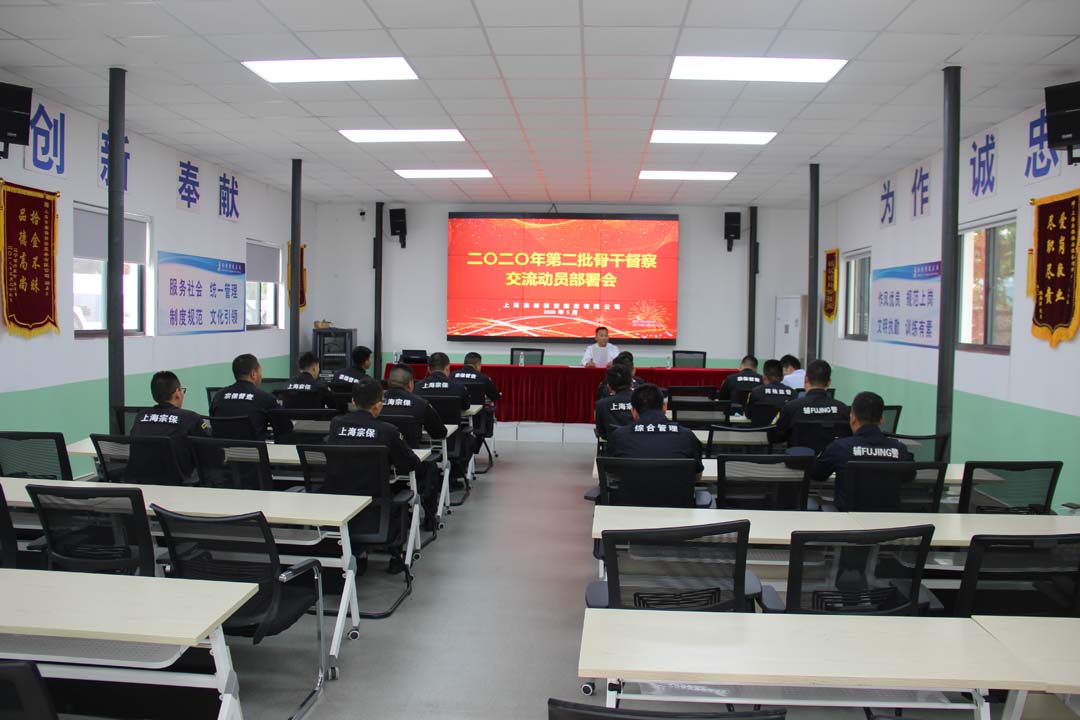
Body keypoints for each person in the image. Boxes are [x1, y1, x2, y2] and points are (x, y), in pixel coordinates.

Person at [325, 378, 441, 567]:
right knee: (423, 474)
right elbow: (410, 464)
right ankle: (398, 557)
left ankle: (360, 555)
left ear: (353, 401)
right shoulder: (387, 431)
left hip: (337, 507)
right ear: (379, 405)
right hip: (376, 514)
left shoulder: (336, 424)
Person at [811, 391, 912, 511]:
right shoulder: (899, 448)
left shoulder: (840, 447)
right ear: (881, 419)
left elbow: (818, 474)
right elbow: (909, 476)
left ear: (853, 418)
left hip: (847, 518)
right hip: (888, 520)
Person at [607, 383, 704, 477]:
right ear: (665, 407)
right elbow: (697, 476)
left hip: (631, 488)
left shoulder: (618, 436)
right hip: (675, 488)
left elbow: (610, 473)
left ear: (633, 412)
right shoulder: (687, 436)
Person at [130, 370, 209, 479]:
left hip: (141, 481)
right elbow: (209, 453)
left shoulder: (141, 416)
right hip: (177, 482)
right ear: (177, 393)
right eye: (182, 390)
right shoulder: (191, 418)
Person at [770, 359, 850, 452]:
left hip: (799, 460)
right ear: (829, 382)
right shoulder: (843, 409)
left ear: (806, 379)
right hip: (832, 460)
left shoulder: (791, 407)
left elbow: (774, 436)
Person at [210, 353, 290, 440]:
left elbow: (213, 424)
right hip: (252, 449)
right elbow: (285, 429)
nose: (261, 376)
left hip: (222, 448)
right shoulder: (266, 398)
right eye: (260, 372)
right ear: (253, 374)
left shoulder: (218, 396)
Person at [382, 364, 448, 448]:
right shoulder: (421, 404)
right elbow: (440, 433)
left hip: (378, 455)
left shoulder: (374, 403)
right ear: (410, 384)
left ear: (388, 382)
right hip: (411, 455)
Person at [745, 358, 795, 425]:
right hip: (783, 431)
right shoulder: (793, 393)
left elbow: (748, 415)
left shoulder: (756, 392)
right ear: (782, 377)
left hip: (759, 430)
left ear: (764, 377)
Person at [594, 363, 634, 441]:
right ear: (631, 383)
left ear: (609, 386)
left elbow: (602, 434)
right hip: (638, 445)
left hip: (613, 446)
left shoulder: (601, 405)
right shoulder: (641, 401)